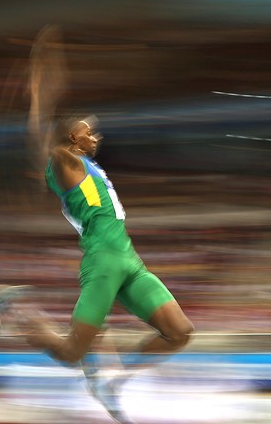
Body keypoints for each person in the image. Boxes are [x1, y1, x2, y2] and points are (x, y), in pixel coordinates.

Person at [22, 114, 194, 423]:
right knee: (72, 352)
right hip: (102, 262)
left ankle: (113, 383)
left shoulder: (86, 165)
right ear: (73, 138)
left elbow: (58, 146)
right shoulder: (65, 163)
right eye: (89, 132)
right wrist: (39, 115)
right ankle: (33, 328)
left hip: (129, 260)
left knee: (179, 332)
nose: (96, 137)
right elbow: (51, 148)